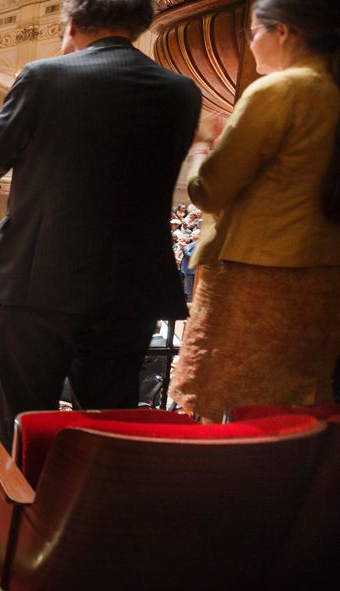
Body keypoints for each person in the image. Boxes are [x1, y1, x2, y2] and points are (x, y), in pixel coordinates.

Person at [0, 0, 201, 446]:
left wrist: (6, 107)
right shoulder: (182, 92)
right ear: (140, 25)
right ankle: (92, 512)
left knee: (24, 418)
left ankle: (23, 512)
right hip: (131, 287)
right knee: (107, 421)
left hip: (41, 282)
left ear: (72, 23)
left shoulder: (43, 77)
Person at [171, 0, 340, 421]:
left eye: (252, 32)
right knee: (297, 411)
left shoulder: (277, 90)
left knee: (229, 410)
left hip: (256, 280)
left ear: (282, 31)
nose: (249, 43)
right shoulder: (331, 89)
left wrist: (199, 147)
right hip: (323, 279)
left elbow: (208, 191)